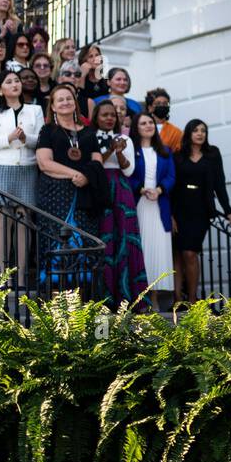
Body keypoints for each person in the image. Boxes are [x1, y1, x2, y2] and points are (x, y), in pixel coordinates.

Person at [34, 83, 100, 291]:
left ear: (75, 103)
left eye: (68, 98)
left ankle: (84, 300)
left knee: (84, 244)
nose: (65, 102)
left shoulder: (89, 132)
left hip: (84, 195)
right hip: (55, 196)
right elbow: (45, 163)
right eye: (59, 99)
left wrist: (87, 177)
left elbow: (97, 162)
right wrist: (76, 174)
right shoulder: (48, 130)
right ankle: (54, 297)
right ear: (52, 106)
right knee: (57, 242)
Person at [86, 99, 149, 310]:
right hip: (100, 189)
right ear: (96, 117)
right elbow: (95, 164)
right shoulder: (90, 137)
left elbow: (129, 171)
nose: (109, 118)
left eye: (112, 115)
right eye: (104, 115)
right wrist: (109, 150)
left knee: (125, 239)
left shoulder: (125, 139)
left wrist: (119, 151)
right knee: (105, 239)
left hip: (121, 191)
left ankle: (129, 297)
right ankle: (105, 299)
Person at [0, 70, 43, 279]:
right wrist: (8, 138)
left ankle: (22, 274)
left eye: (16, 80)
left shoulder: (35, 110)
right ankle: (3, 274)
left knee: (24, 221)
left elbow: (41, 141)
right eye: (9, 82)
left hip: (27, 167)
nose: (15, 84)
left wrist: (26, 138)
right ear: (0, 89)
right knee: (2, 222)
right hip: (0, 167)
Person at [170, 119, 231, 306]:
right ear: (188, 133)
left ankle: (191, 299)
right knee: (178, 254)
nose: (200, 134)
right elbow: (172, 187)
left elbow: (219, 183)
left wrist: (228, 210)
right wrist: (170, 214)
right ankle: (177, 299)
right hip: (179, 208)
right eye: (196, 130)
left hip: (201, 209)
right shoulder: (178, 156)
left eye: (203, 131)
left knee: (190, 253)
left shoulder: (212, 154)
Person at [131, 112, 176, 312]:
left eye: (150, 122)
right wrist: (141, 189)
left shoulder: (165, 151)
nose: (148, 125)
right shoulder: (131, 150)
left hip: (160, 205)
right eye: (143, 123)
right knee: (143, 249)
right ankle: (143, 297)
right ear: (136, 127)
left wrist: (159, 190)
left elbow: (171, 176)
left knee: (159, 250)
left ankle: (156, 298)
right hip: (140, 204)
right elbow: (128, 174)